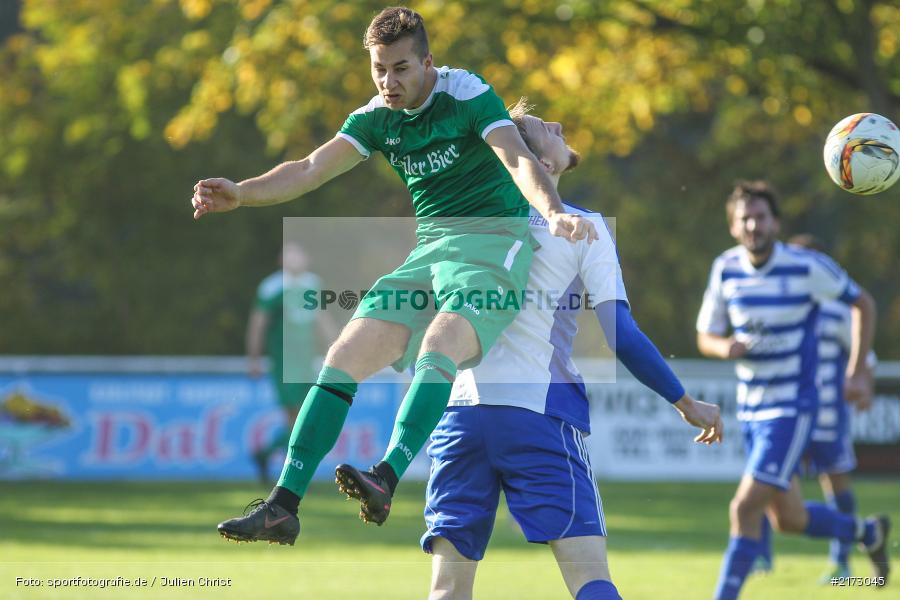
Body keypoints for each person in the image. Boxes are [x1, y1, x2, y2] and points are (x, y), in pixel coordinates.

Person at [195, 7, 599, 546]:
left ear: (429, 62)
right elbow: (311, 168)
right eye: (379, 69)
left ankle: (385, 477)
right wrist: (242, 192)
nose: (389, 81)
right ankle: (282, 506)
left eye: (402, 68)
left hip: (492, 248)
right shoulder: (376, 116)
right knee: (341, 358)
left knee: (439, 345)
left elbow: (518, 159)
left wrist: (552, 212)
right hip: (430, 253)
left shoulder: (468, 93)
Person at [404, 99, 723, 600]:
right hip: (538, 416)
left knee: (447, 592)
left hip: (460, 416)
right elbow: (622, 336)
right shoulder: (583, 228)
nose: (556, 124)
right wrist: (686, 402)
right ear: (542, 164)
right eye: (543, 129)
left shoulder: (469, 224)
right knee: (591, 580)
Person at [696, 181, 889, 599]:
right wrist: (723, 346)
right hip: (749, 409)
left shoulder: (806, 267)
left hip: (792, 408)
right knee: (789, 519)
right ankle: (868, 532)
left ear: (776, 223)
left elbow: (864, 303)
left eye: (761, 217)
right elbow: (705, 335)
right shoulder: (725, 268)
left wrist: (858, 370)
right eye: (744, 218)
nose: (753, 225)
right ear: (733, 226)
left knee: (743, 508)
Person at [754, 233, 876, 582]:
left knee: (834, 481)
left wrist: (862, 382)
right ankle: (761, 557)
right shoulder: (777, 307)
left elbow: (864, 354)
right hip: (787, 411)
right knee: (765, 482)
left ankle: (842, 561)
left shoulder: (835, 312)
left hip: (825, 415)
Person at [246, 242, 337, 485]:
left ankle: (266, 456)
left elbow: (321, 318)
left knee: (305, 421)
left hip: (308, 363)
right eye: (290, 253)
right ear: (281, 259)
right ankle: (292, 478)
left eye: (300, 253)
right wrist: (253, 358)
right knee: (296, 419)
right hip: (284, 363)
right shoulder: (272, 287)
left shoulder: (312, 284)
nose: (296, 258)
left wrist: (338, 347)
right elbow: (258, 323)